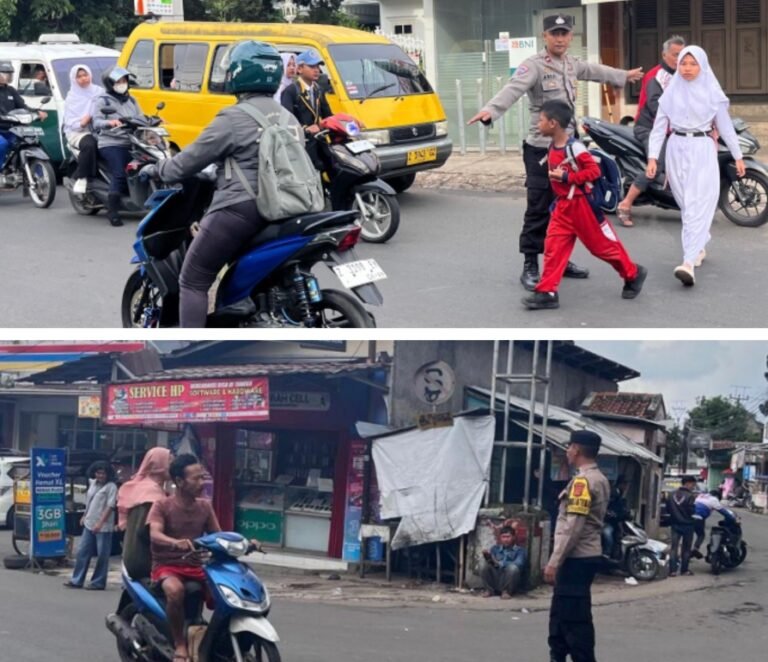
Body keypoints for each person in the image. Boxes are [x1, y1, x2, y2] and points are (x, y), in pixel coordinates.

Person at [467, 14, 644, 292]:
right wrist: (491, 110)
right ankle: (530, 264)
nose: (560, 39)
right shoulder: (534, 65)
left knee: (568, 207)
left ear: (570, 36)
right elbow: (513, 89)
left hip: (568, 149)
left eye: (564, 33)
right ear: (545, 36)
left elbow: (596, 71)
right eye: (554, 33)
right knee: (539, 207)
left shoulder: (572, 64)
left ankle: (561, 260)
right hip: (541, 149)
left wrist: (624, 76)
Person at [142, 40, 302, 328]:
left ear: (238, 74)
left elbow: (185, 163)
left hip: (242, 208)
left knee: (193, 278)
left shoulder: (233, 117)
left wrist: (157, 168)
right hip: (289, 207)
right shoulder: (289, 118)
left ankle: (188, 345)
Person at [522, 100, 647, 310]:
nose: (537, 124)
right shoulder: (552, 145)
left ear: (553, 123)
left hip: (582, 207)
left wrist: (566, 177)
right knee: (553, 248)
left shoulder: (576, 148)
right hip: (563, 207)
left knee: (602, 248)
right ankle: (547, 292)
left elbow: (594, 172)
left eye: (541, 120)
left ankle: (633, 274)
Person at [646, 45, 746, 287]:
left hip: (702, 148)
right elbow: (658, 128)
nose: (687, 68)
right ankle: (699, 244)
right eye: (683, 63)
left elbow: (725, 127)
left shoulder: (712, 94)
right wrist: (652, 157)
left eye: (693, 64)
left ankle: (688, 262)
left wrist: (738, 155)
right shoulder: (670, 94)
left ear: (702, 66)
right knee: (685, 202)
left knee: (695, 205)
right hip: (675, 148)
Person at [148, 454, 222, 661]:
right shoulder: (162, 505)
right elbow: (154, 534)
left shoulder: (205, 506)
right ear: (179, 481)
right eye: (196, 478)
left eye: (203, 477)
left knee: (225, 592)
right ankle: (179, 643)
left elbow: (218, 535)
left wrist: (244, 543)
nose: (201, 482)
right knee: (175, 591)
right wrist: (174, 542)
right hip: (167, 565)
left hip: (197, 565)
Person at [544, 430, 610, 662]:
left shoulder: (583, 482)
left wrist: (554, 562)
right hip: (582, 556)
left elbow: (573, 527)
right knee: (560, 615)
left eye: (569, 446)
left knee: (574, 620)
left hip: (576, 558)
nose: (567, 451)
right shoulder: (597, 478)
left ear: (577, 450)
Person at [616, 36, 686, 227]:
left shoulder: (683, 75)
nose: (679, 59)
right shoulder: (656, 76)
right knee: (656, 166)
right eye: (675, 55)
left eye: (682, 55)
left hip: (673, 129)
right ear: (664, 55)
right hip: (649, 129)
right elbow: (655, 106)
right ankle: (626, 203)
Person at [91, 66, 146, 227]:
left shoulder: (132, 100)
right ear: (110, 84)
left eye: (124, 81)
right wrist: (110, 122)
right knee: (120, 174)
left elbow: (141, 117)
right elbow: (96, 122)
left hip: (132, 142)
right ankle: (113, 211)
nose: (122, 84)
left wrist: (154, 120)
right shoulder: (103, 100)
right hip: (111, 143)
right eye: (118, 81)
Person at [117, 447, 172, 580]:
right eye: (170, 462)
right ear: (159, 465)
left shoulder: (141, 486)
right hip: (144, 558)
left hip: (131, 554)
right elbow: (146, 531)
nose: (173, 467)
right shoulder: (151, 493)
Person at [63, 461, 118, 591]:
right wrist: (84, 515)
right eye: (98, 473)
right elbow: (89, 501)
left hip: (103, 526)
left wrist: (100, 523)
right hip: (89, 522)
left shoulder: (111, 487)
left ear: (108, 474)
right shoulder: (93, 483)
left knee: (102, 555)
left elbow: (110, 506)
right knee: (82, 551)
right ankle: (77, 580)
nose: (100, 476)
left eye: (103, 473)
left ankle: (98, 582)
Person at [280, 48, 332, 170]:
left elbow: (328, 114)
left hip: (319, 142)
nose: (316, 70)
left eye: (317, 66)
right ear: (300, 69)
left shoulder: (318, 89)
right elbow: (287, 120)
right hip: (302, 145)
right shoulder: (291, 91)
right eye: (312, 66)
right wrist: (305, 129)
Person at [63, 64, 104, 195]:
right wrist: (81, 123)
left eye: (85, 75)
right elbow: (69, 122)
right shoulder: (71, 98)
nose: (83, 78)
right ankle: (82, 177)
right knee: (90, 144)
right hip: (78, 132)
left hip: (100, 127)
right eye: (79, 76)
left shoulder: (99, 91)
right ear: (74, 79)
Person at [0, 61, 48, 168]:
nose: (8, 76)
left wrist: (37, 112)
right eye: (5, 73)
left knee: (32, 142)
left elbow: (23, 106)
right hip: (1, 129)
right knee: (2, 144)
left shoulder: (11, 90)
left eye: (9, 74)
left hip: (13, 129)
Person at [480, 525, 528, 599]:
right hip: (497, 578)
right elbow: (492, 563)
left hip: (509, 580)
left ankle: (506, 592)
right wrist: (488, 557)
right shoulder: (495, 549)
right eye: (503, 537)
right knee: (484, 566)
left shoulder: (519, 550)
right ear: (500, 538)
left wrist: (501, 563)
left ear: (513, 537)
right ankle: (489, 590)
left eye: (508, 537)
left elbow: (519, 563)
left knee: (513, 568)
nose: (506, 539)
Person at [666, 475, 696, 576]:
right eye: (693, 485)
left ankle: (672, 571)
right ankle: (684, 570)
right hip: (688, 525)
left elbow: (668, 509)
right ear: (688, 483)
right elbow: (691, 511)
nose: (693, 487)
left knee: (674, 548)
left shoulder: (671, 494)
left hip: (675, 524)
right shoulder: (690, 496)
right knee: (686, 548)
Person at [691, 488, 733, 560]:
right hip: (699, 517)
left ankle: (686, 553)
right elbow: (723, 511)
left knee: (688, 535)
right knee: (701, 535)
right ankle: (695, 549)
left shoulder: (701, 495)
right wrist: (732, 518)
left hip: (689, 516)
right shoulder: (714, 499)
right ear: (717, 496)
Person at [602, 475, 629, 557]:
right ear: (620, 484)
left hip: (616, 521)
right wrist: (609, 512)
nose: (625, 487)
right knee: (607, 534)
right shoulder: (613, 493)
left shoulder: (620, 494)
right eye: (624, 484)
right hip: (607, 521)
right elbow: (609, 505)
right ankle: (606, 554)